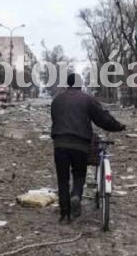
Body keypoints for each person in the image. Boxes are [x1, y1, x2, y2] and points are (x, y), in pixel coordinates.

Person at [50, 73, 126, 223]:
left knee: (62, 179)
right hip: (80, 144)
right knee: (79, 174)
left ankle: (64, 214)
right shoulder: (87, 99)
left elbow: (55, 118)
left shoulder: (57, 99)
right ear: (80, 84)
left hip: (60, 143)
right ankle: (76, 195)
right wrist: (118, 126)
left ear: (67, 84)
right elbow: (102, 118)